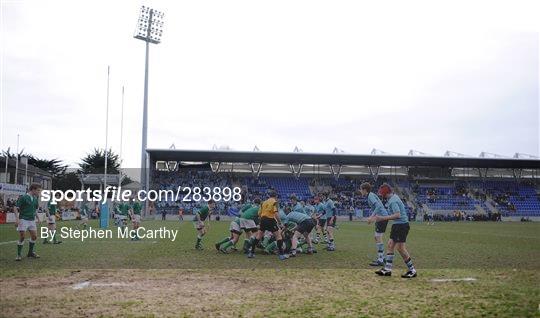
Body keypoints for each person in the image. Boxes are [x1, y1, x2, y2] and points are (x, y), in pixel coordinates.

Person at [370, 184, 417, 278]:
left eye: (381, 193)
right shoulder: (393, 198)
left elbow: (397, 215)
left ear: (385, 193)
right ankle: (387, 269)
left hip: (400, 225)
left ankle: (412, 270)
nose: (381, 195)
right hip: (399, 225)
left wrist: (382, 218)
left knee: (400, 248)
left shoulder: (392, 201)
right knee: (391, 245)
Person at [247, 191, 288, 260]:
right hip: (270, 219)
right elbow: (276, 213)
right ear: (275, 196)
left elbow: (259, 213)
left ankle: (251, 252)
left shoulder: (264, 202)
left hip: (263, 219)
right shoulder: (274, 202)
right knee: (278, 236)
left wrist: (262, 220)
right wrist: (280, 223)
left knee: (258, 236)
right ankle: (281, 255)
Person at [360, 182, 389, 266]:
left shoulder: (370, 196)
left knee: (377, 237)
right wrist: (373, 218)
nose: (360, 191)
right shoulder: (371, 195)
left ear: (365, 190)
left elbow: (378, 206)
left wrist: (371, 217)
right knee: (377, 237)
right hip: (381, 217)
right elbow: (378, 206)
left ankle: (380, 259)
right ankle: (382, 258)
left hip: (382, 217)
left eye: (361, 189)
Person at [14, 183, 42, 261]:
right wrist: (17, 219)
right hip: (23, 219)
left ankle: (30, 253)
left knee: (34, 236)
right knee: (22, 237)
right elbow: (15, 208)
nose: (39, 192)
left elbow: (34, 210)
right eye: (38, 190)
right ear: (33, 189)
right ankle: (19, 255)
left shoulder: (35, 199)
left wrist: (38, 218)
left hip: (32, 220)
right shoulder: (23, 197)